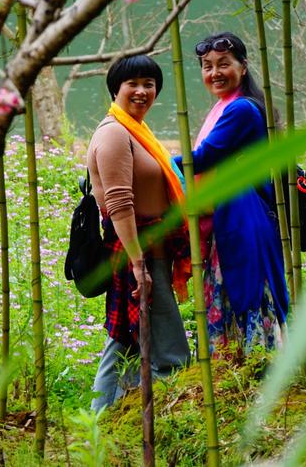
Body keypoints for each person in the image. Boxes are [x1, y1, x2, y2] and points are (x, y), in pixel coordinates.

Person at [87, 54, 191, 412]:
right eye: (133, 83)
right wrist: (137, 264)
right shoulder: (115, 133)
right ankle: (124, 419)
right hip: (138, 252)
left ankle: (111, 419)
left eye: (150, 84)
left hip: (152, 251)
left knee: (127, 342)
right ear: (116, 88)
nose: (142, 91)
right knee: (167, 349)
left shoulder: (136, 131)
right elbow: (118, 203)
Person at [174, 32, 289, 354]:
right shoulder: (227, 107)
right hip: (235, 217)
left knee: (246, 289)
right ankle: (241, 368)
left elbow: (202, 157)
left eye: (224, 64)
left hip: (241, 220)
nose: (215, 73)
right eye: (207, 66)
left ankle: (254, 366)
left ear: (243, 66)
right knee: (234, 290)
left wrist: (151, 160)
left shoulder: (241, 111)